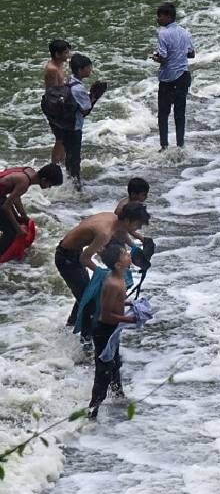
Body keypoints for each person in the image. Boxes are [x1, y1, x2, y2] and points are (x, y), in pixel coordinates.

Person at [55, 202, 150, 334]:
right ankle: (86, 343)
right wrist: (105, 274)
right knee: (90, 304)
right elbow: (85, 258)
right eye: (137, 225)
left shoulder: (113, 218)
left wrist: (135, 247)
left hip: (72, 253)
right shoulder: (105, 233)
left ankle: (71, 324)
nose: (137, 228)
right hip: (67, 259)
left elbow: (121, 233)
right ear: (128, 220)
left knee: (86, 292)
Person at [88, 243, 136, 419]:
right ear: (118, 264)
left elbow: (114, 304)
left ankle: (118, 396)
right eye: (125, 254)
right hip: (104, 331)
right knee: (103, 372)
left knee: (115, 364)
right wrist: (129, 319)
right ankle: (92, 410)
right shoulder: (114, 283)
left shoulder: (119, 277)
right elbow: (107, 315)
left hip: (111, 330)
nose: (129, 255)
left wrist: (129, 305)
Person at [152, 3, 195, 150]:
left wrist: (154, 57)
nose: (158, 19)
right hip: (183, 76)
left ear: (168, 17)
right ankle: (180, 145)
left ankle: (164, 146)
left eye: (160, 16)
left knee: (163, 114)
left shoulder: (163, 33)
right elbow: (191, 53)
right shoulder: (184, 32)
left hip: (168, 78)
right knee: (179, 114)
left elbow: (163, 57)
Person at [0, 164, 63, 258]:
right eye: (50, 185)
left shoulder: (29, 171)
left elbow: (15, 197)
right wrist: (18, 230)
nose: (49, 187)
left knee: (14, 221)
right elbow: (5, 207)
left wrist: (23, 216)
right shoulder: (24, 182)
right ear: (44, 180)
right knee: (11, 232)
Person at [65, 53, 107, 191]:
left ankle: (69, 180)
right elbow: (85, 109)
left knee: (69, 155)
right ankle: (76, 185)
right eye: (88, 68)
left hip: (65, 124)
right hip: (75, 126)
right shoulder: (79, 88)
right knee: (75, 156)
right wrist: (94, 96)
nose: (90, 70)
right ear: (80, 70)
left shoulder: (68, 81)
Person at [42, 39, 72, 165]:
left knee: (64, 137)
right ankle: (54, 165)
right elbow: (53, 92)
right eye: (65, 53)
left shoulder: (60, 64)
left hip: (59, 102)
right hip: (53, 105)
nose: (68, 55)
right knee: (60, 138)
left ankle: (63, 162)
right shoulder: (52, 69)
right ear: (57, 54)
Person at [115, 177, 150, 241]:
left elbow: (129, 228)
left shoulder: (135, 204)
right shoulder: (124, 206)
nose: (146, 197)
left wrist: (140, 238)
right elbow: (124, 226)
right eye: (144, 194)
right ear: (133, 194)